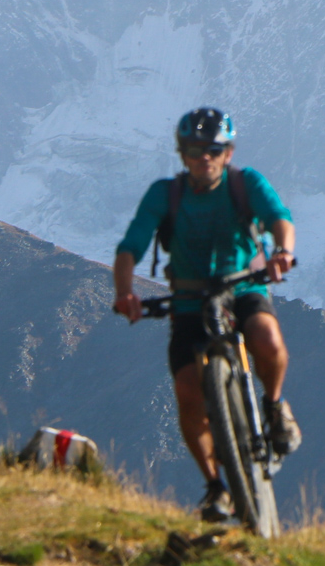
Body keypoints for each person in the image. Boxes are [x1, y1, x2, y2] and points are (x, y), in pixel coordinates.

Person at [112, 107, 301, 522]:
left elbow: (279, 219)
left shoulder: (245, 184)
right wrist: (125, 293)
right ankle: (217, 486)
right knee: (187, 390)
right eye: (196, 150)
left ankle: (273, 406)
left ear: (228, 152)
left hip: (243, 286)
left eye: (214, 150)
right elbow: (130, 247)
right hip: (188, 301)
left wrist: (283, 252)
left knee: (267, 340)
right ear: (183, 153)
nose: (205, 158)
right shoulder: (165, 194)